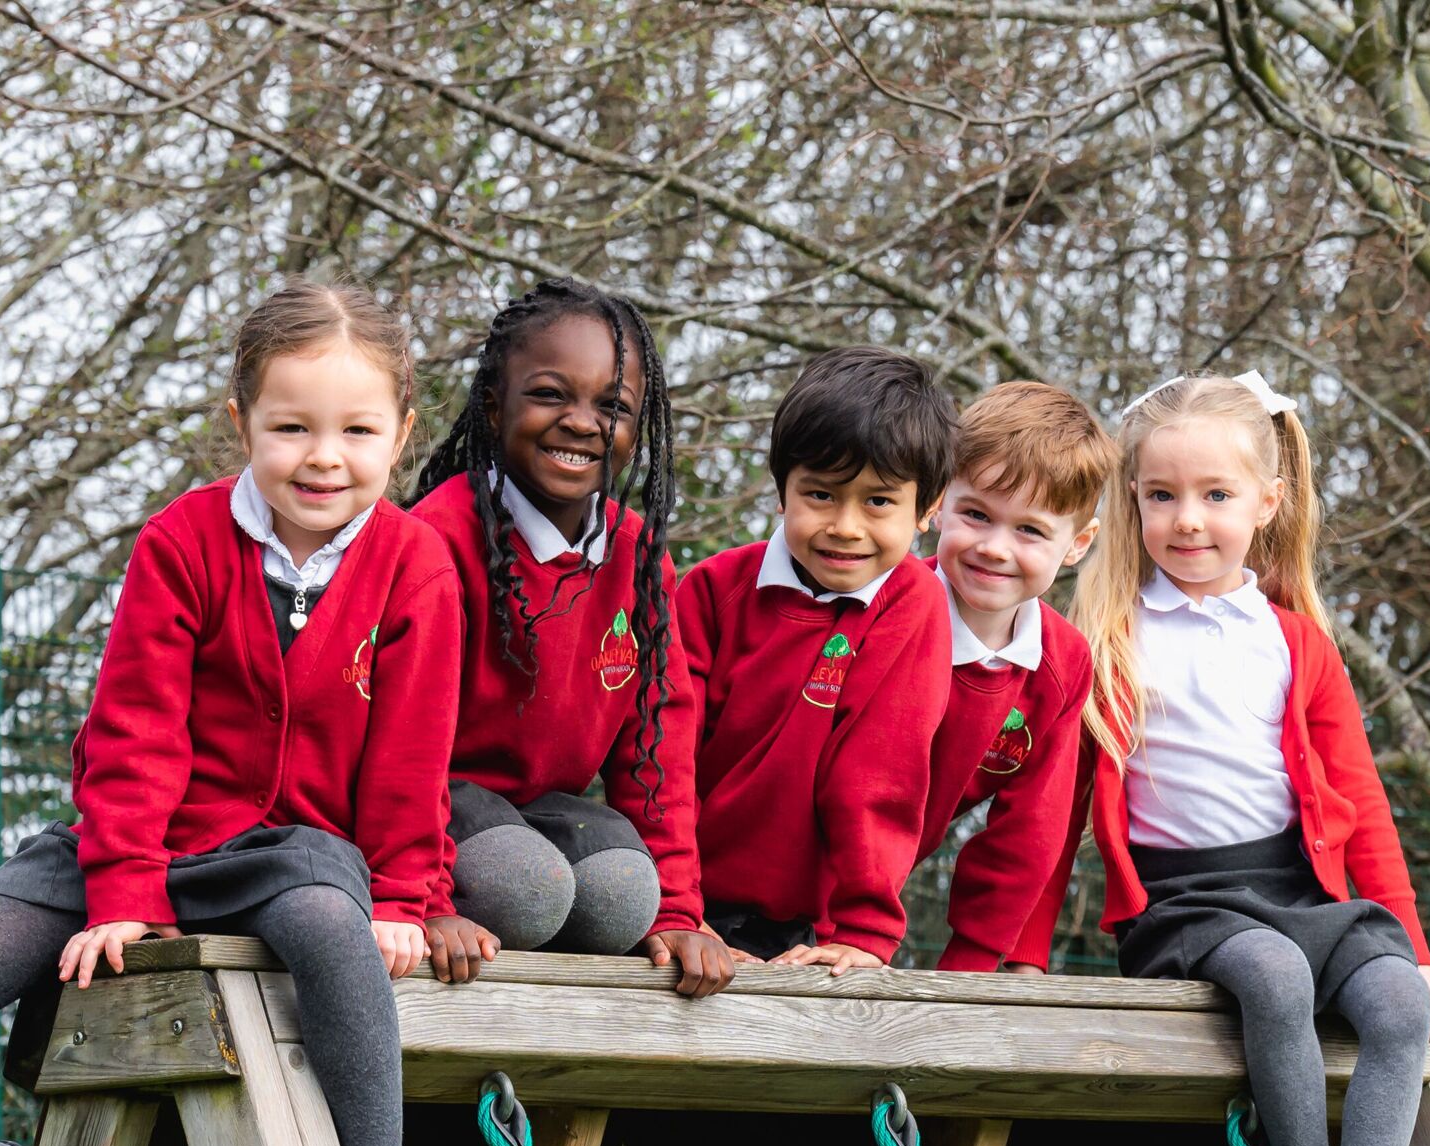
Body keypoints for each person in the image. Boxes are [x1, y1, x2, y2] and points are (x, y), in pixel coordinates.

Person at [0, 281, 457, 1146]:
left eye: (358, 432)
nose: (324, 459)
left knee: (333, 932)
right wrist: (123, 890)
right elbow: (133, 732)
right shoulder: (183, 541)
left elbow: (412, 752)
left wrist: (402, 893)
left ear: (401, 435)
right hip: (141, 838)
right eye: (291, 429)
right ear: (243, 424)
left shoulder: (415, 564)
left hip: (293, 854)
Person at [1016, 371, 1430, 1146]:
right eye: (1162, 495)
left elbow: (1364, 807)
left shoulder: (1296, 643)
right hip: (1184, 908)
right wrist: (1026, 955)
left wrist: (1419, 955)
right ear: (1132, 502)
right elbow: (1053, 813)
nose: (1187, 520)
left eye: (1216, 494)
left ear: (1267, 501)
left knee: (1397, 1004)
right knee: (1276, 976)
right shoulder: (1108, 641)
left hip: (1301, 892)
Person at [410, 278, 731, 999]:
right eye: (552, 395)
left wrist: (679, 912)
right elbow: (399, 747)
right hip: (430, 806)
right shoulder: (435, 541)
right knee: (527, 890)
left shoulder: (638, 558)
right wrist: (421, 899)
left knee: (624, 894)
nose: (582, 423)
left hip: (542, 809)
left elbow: (660, 750)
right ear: (495, 406)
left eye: (612, 407)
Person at [679, 347, 954, 971]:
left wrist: (860, 932)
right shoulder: (712, 591)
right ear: (783, 491)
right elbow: (669, 759)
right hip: (683, 904)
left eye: (879, 502)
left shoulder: (911, 605)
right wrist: (677, 907)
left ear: (927, 509)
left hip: (813, 931)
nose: (847, 526)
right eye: (822, 494)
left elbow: (880, 775)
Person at [915, 382, 1111, 971]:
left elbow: (1031, 829)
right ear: (939, 503)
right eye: (976, 514)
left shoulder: (1062, 666)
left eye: (1029, 530)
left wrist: (972, 966)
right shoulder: (885, 608)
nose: (995, 548)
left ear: (1076, 544)